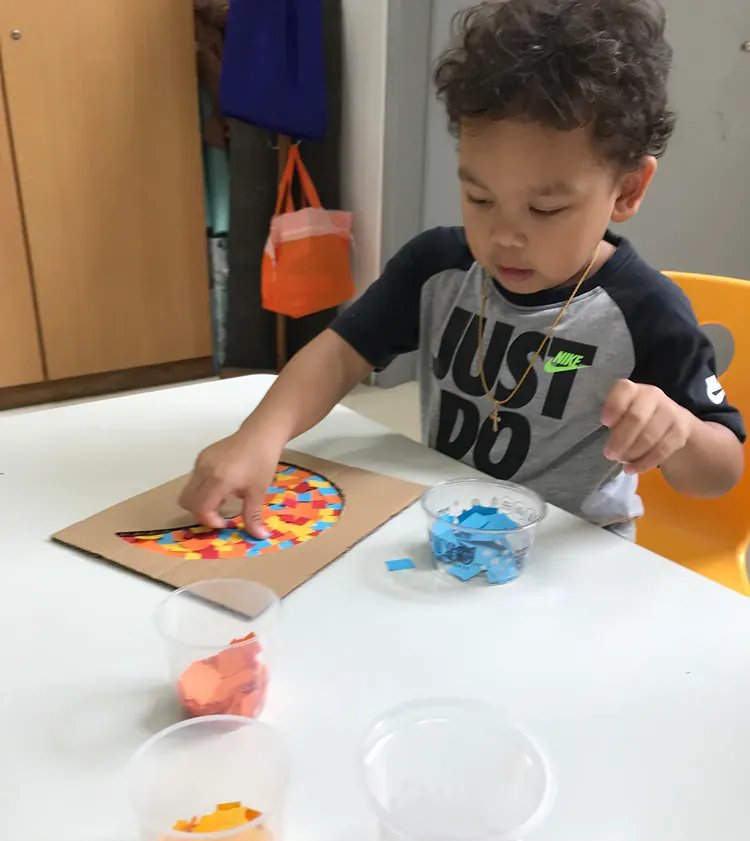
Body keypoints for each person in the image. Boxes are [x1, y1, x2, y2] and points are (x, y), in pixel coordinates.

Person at [180, 0, 745, 541]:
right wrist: (259, 435)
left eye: (545, 209)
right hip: (449, 528)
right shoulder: (437, 267)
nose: (504, 236)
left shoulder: (646, 310)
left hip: (571, 558)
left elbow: (722, 470)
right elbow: (337, 354)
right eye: (478, 197)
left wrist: (682, 434)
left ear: (627, 190)